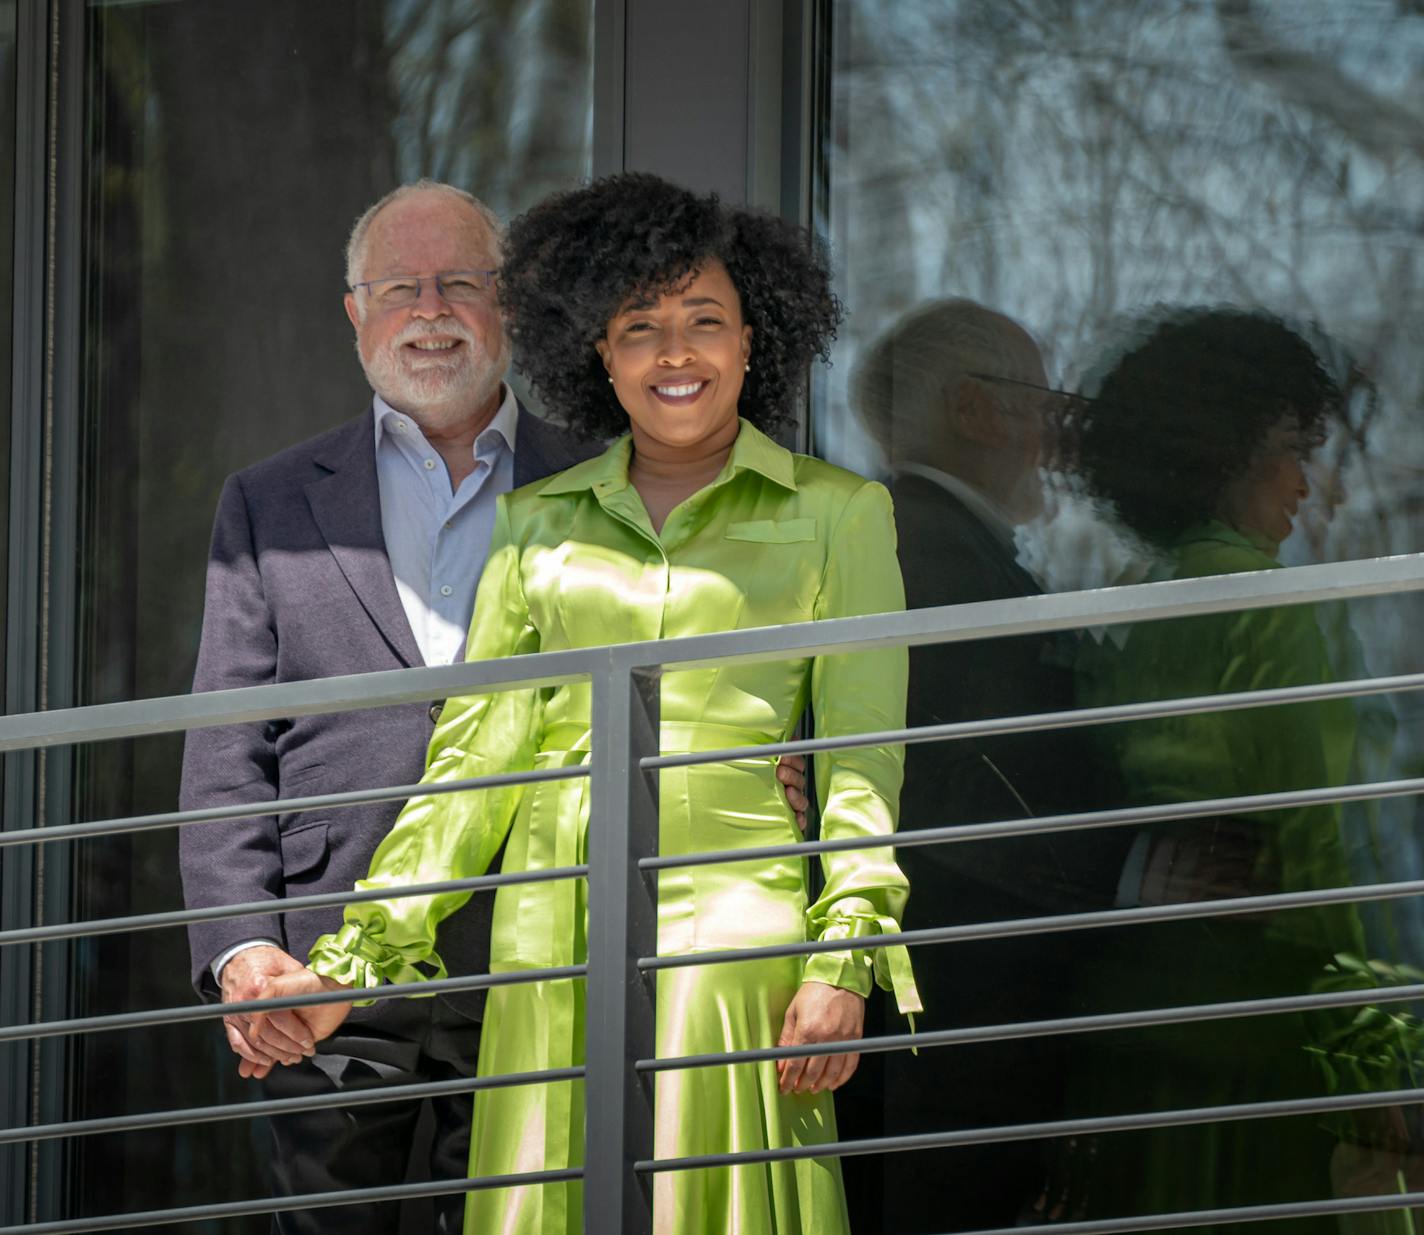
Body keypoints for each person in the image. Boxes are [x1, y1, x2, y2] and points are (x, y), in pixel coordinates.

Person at [261, 171, 922, 1235]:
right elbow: (471, 773)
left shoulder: (839, 515)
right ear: (594, 356)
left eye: (704, 321)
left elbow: (861, 755)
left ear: (755, 341)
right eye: (638, 327)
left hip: (736, 955)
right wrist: (354, 960)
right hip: (547, 951)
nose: (674, 352)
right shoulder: (535, 524)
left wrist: (843, 954)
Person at [177, 180, 780, 1235]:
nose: (431, 308)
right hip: (327, 962)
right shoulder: (268, 499)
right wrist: (241, 945)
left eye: (461, 281)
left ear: (513, 305)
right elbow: (227, 742)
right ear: (354, 312)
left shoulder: (605, 479)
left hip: (544, 950)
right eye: (398, 286)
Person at [1064, 306, 1391, 1229]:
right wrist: (1374, 1049)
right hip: (1259, 1027)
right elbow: (1319, 843)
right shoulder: (1269, 607)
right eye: (1290, 447)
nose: (1305, 481)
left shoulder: (1131, 606)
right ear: (1225, 451)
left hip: (1143, 1023)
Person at [836, 300, 1125, 1230]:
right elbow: (974, 783)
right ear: (976, 409)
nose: (1052, 434)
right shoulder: (928, 558)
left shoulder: (911, 543)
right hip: (961, 1010)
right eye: (1040, 400)